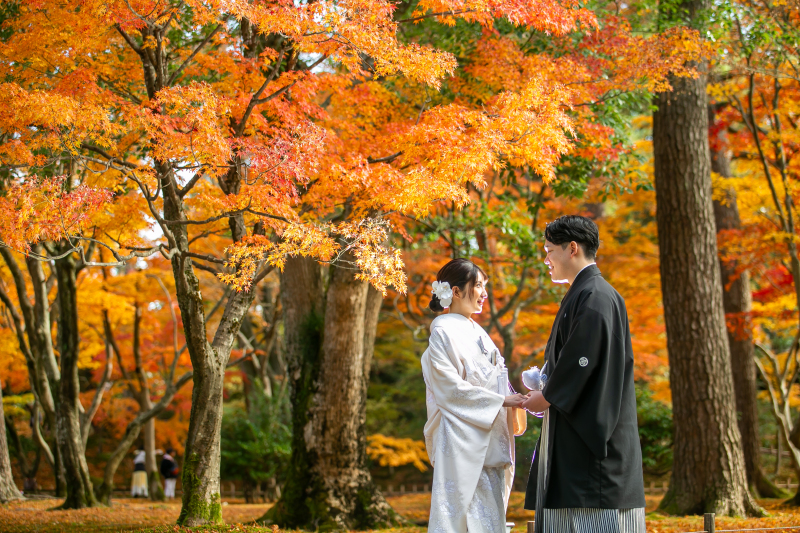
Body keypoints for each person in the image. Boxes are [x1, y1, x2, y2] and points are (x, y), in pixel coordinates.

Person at [521, 215, 645, 533]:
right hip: (580, 434)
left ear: (571, 248)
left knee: (589, 519)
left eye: (549, 250)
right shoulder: (588, 293)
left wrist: (546, 396)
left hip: (592, 448)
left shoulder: (595, 296)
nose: (546, 258)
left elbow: (582, 360)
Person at [421, 258, 527, 533]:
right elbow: (449, 388)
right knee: (461, 516)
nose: (484, 293)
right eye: (478, 285)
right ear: (455, 292)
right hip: (461, 438)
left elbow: (497, 379)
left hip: (488, 433)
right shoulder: (443, 332)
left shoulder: (478, 332)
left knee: (489, 516)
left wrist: (515, 398)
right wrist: (502, 400)